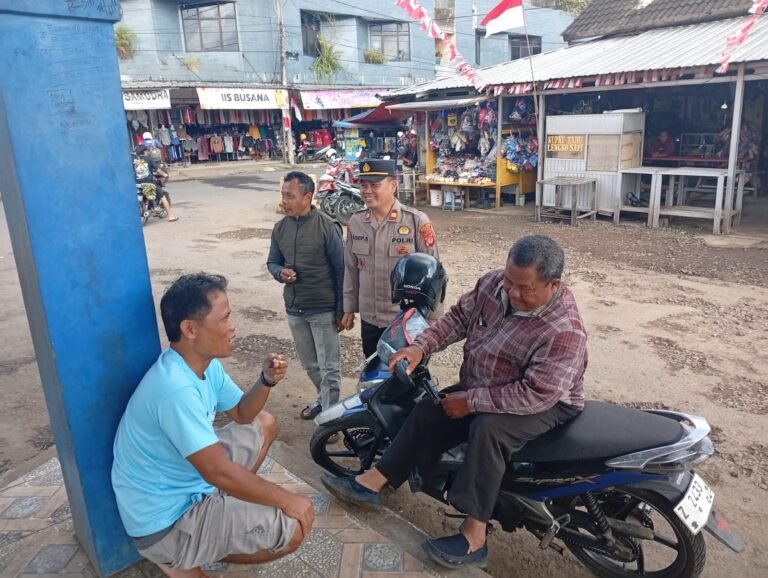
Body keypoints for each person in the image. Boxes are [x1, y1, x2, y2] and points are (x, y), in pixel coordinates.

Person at [323, 235, 587, 569]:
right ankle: (374, 481)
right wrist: (421, 346)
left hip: (546, 401)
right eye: (509, 282)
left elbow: (536, 394)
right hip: (489, 384)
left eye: (525, 288)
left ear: (553, 284)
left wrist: (472, 402)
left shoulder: (564, 329)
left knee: (489, 431)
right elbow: (458, 318)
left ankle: (475, 536)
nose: (513, 293)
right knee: (432, 408)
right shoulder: (494, 284)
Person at [112, 274, 314, 577]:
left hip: (187, 483)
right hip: (164, 522)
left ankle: (214, 522)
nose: (233, 326)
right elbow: (216, 471)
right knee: (293, 527)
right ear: (189, 329)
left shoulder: (203, 366)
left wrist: (265, 381)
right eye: (225, 319)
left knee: (264, 423)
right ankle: (181, 555)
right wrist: (288, 500)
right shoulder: (175, 389)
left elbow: (243, 414)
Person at [341, 159, 439, 357]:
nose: (367, 191)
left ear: (393, 185)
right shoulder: (356, 221)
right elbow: (351, 269)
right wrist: (349, 308)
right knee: (374, 377)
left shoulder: (415, 221)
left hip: (405, 320)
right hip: (370, 318)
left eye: (375, 185)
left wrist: (433, 318)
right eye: (363, 185)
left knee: (404, 379)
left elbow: (435, 272)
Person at [267, 171, 344, 421]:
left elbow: (342, 269)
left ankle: (331, 418)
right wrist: (280, 273)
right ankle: (324, 401)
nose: (284, 201)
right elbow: (273, 262)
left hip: (323, 308)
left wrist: (343, 309)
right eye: (282, 195)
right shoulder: (280, 229)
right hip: (295, 308)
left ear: (307, 197)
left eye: (290, 196)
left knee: (329, 366)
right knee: (311, 364)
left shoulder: (327, 227)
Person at [135, 144, 178, 222]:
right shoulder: (148, 159)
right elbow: (158, 169)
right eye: (147, 150)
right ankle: (171, 216)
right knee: (163, 196)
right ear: (145, 151)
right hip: (148, 184)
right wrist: (165, 175)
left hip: (137, 184)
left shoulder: (134, 160)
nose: (148, 152)